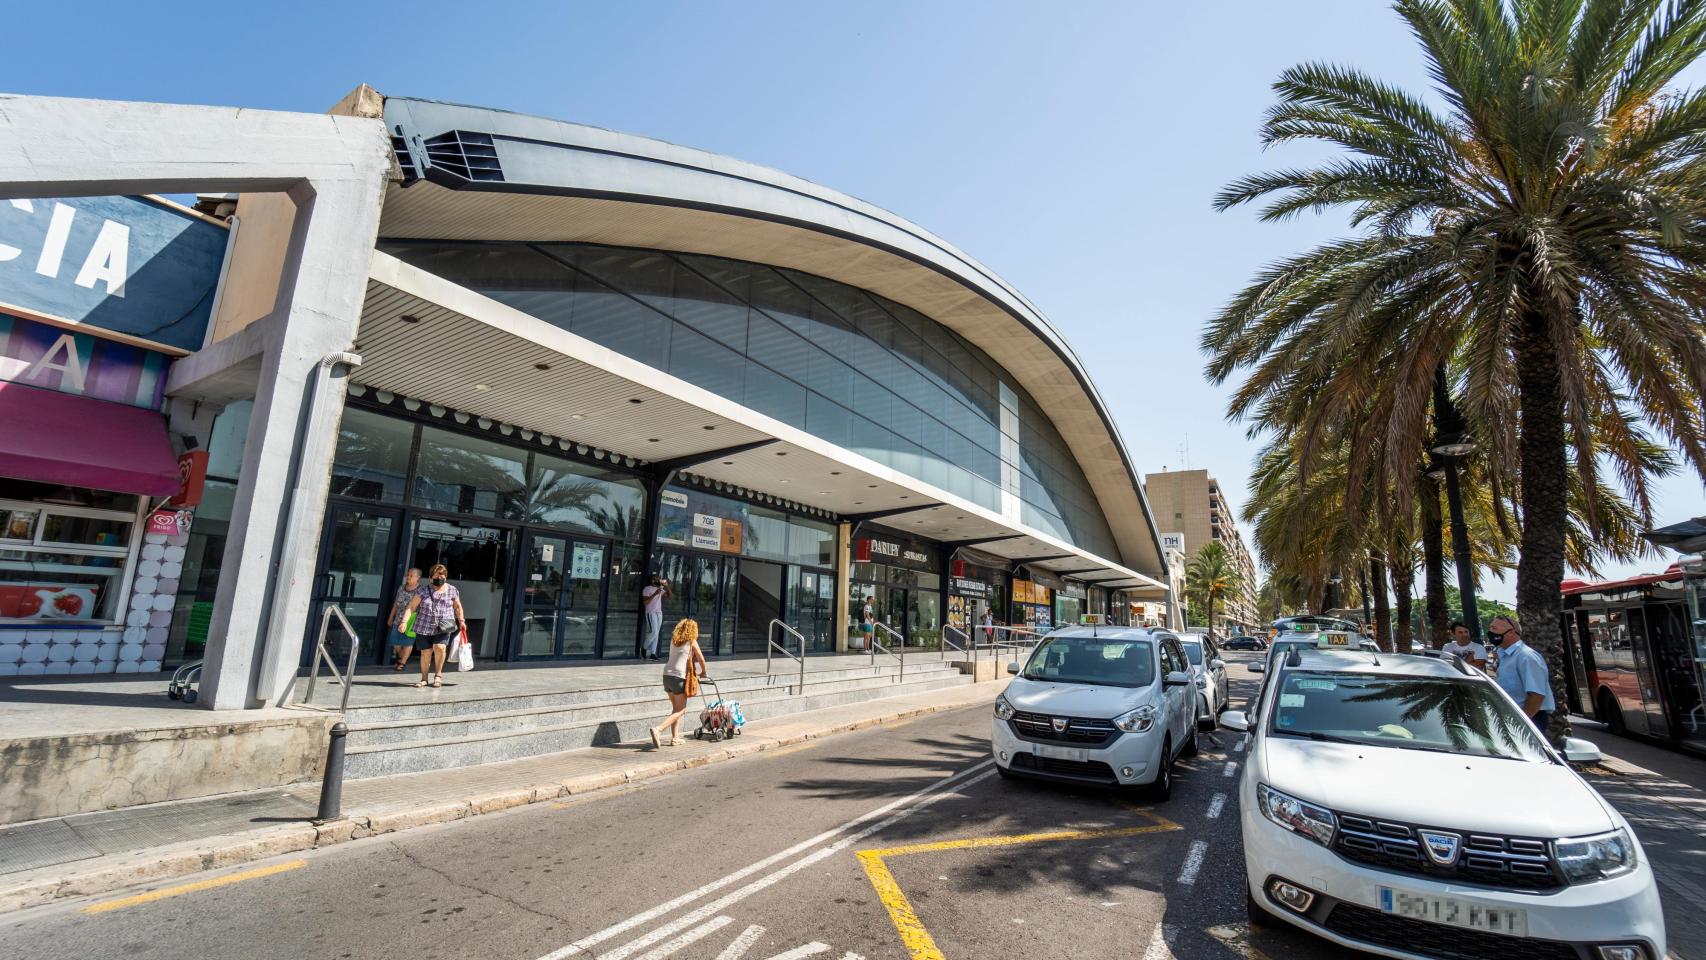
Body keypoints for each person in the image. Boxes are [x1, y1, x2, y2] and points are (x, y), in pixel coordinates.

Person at [403, 564, 465, 689]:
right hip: (424, 625)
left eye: (442, 577)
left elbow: (457, 607)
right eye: (436, 577)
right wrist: (404, 621)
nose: (439, 579)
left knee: (440, 647)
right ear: (430, 578)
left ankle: (438, 676)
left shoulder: (452, 590)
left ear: (446, 577)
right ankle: (424, 679)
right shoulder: (423, 591)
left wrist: (461, 621)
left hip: (444, 625)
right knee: (426, 652)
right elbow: (412, 606)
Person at [1489, 615, 1554, 733]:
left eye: (1494, 628)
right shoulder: (1504, 655)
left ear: (1511, 632)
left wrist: (1521, 723)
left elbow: (1536, 695)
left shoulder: (1526, 657)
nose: (1490, 632)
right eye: (1490, 628)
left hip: (1529, 720)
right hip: (1512, 719)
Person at [651, 618, 707, 748]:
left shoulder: (674, 641)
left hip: (667, 676)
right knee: (681, 710)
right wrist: (704, 672)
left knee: (675, 709)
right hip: (678, 678)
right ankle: (658, 729)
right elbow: (701, 658)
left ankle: (675, 738)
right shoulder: (691, 641)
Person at [386, 567, 422, 671]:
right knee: (395, 642)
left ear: (418, 577)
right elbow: (396, 604)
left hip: (412, 620)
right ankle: (402, 657)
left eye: (411, 575)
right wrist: (391, 617)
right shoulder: (401, 588)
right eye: (408, 575)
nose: (408, 577)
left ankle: (402, 663)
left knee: (408, 642)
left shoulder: (421, 590)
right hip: (398, 618)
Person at [640, 574, 672, 661]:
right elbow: (645, 602)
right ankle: (644, 648)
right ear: (652, 580)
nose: (659, 580)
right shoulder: (647, 589)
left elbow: (670, 596)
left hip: (659, 613)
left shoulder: (659, 589)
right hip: (651, 613)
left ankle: (652, 653)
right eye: (657, 578)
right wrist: (655, 594)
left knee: (656, 633)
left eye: (659, 578)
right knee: (653, 632)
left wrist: (667, 586)